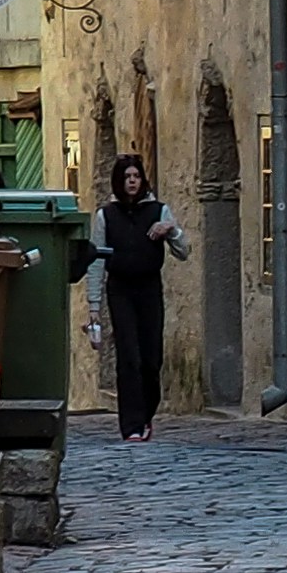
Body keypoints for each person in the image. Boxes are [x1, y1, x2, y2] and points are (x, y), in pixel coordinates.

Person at [82, 152, 186, 438]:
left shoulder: (158, 211)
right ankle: (132, 425)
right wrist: (93, 305)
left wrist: (171, 230)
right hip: (120, 289)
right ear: (118, 180)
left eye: (136, 176)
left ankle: (147, 413)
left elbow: (183, 252)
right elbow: (96, 261)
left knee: (151, 359)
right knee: (129, 357)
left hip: (149, 288)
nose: (132, 181)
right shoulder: (106, 216)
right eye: (127, 176)